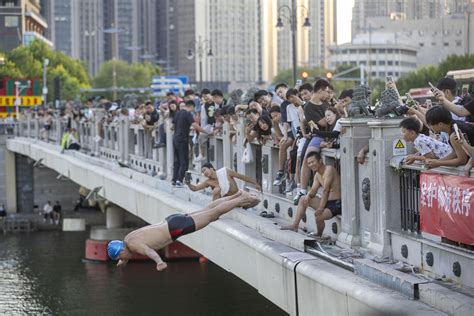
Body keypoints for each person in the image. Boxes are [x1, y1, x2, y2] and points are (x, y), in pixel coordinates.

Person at [107, 190, 260, 271]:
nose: (124, 258)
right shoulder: (128, 239)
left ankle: (242, 199)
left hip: (175, 229)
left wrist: (159, 262)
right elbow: (126, 252)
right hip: (171, 221)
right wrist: (123, 260)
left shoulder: (133, 246)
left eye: (120, 257)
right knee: (207, 210)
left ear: (120, 252)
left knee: (213, 214)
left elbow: (149, 252)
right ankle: (238, 195)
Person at [281, 152, 341, 237]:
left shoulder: (329, 170)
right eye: (309, 163)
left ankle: (319, 235)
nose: (311, 165)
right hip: (326, 202)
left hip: (336, 203)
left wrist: (320, 208)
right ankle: (295, 225)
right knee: (303, 199)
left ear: (320, 160)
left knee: (318, 216)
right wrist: (308, 197)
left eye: (313, 162)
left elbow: (326, 191)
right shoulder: (317, 175)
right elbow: (313, 191)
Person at [172, 100, 209, 188]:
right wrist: (205, 131)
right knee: (184, 161)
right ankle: (179, 181)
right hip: (182, 140)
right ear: (191, 107)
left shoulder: (177, 113)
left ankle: (174, 179)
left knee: (177, 161)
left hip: (175, 139)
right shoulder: (187, 114)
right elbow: (194, 125)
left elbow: (173, 126)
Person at [186, 162, 262, 200]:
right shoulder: (208, 182)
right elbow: (195, 189)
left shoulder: (225, 171)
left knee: (255, 200)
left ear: (211, 168)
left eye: (204, 170)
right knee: (217, 190)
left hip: (236, 197)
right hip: (225, 201)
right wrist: (188, 184)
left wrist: (256, 183)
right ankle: (215, 211)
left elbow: (241, 177)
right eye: (202, 172)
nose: (204, 173)